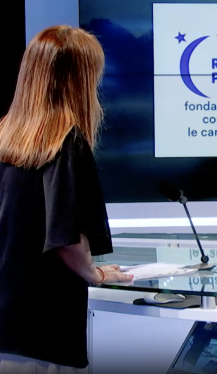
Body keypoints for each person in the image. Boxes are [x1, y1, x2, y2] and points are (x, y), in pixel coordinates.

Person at [0, 26, 133, 373]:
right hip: (44, 334)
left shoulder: (5, 139)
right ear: (77, 81)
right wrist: (96, 274)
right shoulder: (66, 143)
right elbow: (66, 239)